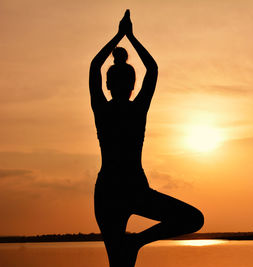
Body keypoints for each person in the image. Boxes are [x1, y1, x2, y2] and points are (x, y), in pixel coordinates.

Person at [89, 10, 204, 267]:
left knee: (118, 262)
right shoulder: (136, 109)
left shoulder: (103, 109)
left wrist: (118, 36)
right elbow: (152, 68)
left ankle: (134, 244)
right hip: (130, 189)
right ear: (133, 86)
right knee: (193, 219)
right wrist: (130, 36)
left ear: (108, 86)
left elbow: (94, 66)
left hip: (110, 191)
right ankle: (137, 242)